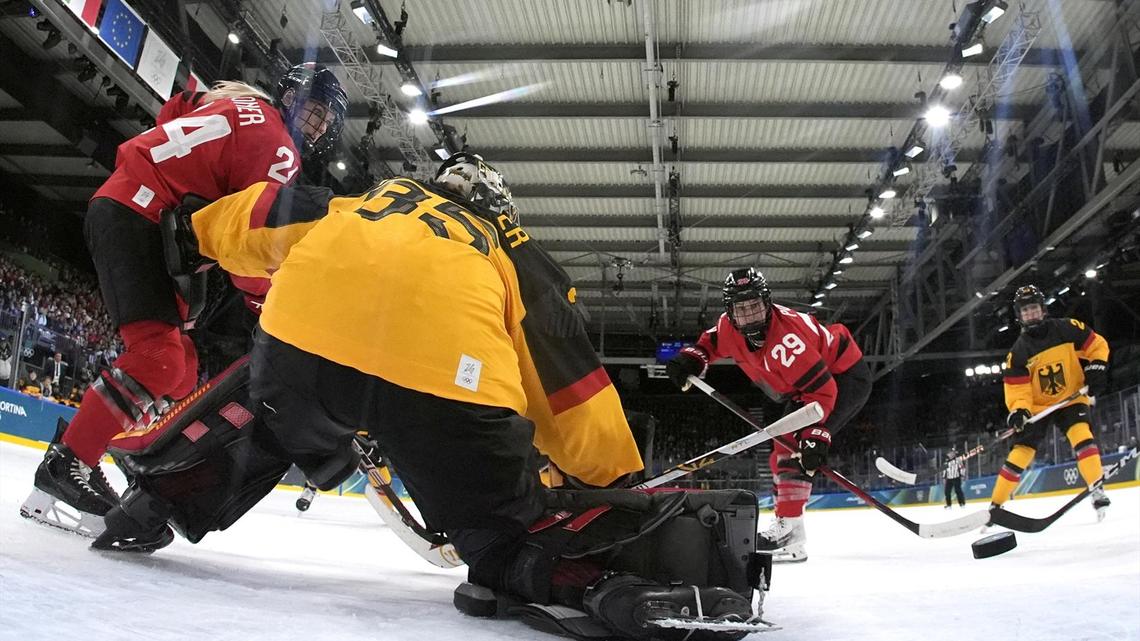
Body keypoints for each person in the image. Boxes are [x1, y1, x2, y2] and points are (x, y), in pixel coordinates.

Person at [97, 155, 762, 639]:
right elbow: (569, 388)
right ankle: (593, 584)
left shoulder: (364, 201)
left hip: (304, 348)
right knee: (496, 531)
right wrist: (617, 483)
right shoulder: (512, 249)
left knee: (266, 417)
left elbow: (257, 215)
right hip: (447, 383)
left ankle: (152, 500)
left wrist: (189, 234)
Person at [20, 63, 349, 534]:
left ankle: (89, 447)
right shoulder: (282, 151)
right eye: (312, 111)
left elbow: (175, 111)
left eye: (322, 118)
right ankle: (67, 466)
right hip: (140, 215)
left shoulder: (238, 102)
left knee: (183, 366)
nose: (313, 124)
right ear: (290, 98)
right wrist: (267, 306)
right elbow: (249, 242)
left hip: (132, 207)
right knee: (160, 361)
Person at [665, 267, 872, 562]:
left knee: (795, 448)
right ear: (730, 312)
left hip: (843, 378)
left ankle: (790, 531)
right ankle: (792, 530)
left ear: (766, 302)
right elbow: (711, 341)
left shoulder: (788, 341)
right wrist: (693, 358)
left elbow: (824, 393)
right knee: (786, 448)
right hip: (805, 388)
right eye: (741, 308)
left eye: (755, 306)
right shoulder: (728, 326)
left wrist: (815, 435)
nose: (749, 314)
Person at [989, 285, 1112, 521]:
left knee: (1081, 435)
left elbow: (1097, 345)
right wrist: (1019, 411)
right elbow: (1018, 389)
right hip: (1037, 408)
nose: (1031, 314)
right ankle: (996, 506)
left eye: (1034, 309)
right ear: (1019, 316)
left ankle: (1097, 489)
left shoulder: (1067, 328)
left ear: (1043, 310)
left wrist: (1097, 366)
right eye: (1025, 311)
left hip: (1071, 398)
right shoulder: (1018, 353)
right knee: (1020, 453)